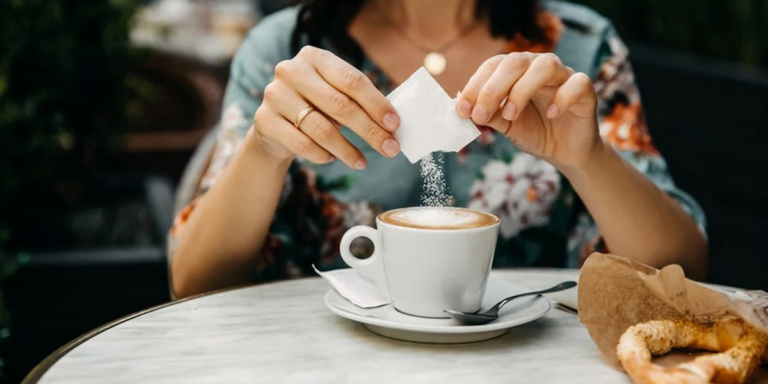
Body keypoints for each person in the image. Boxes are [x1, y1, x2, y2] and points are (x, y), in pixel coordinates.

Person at [168, 0, 708, 298]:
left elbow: (683, 271)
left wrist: (586, 158)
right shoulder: (286, 51)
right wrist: (264, 149)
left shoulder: (577, 46)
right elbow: (194, 284)